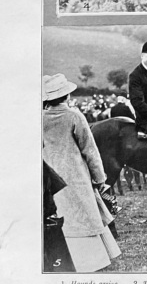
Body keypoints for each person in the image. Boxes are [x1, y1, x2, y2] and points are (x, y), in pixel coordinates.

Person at [42, 74, 121, 273]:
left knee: (61, 216)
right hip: (76, 176)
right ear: (67, 95)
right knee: (84, 215)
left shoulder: (39, 118)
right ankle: (92, 260)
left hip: (51, 178)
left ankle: (63, 258)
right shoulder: (74, 116)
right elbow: (90, 150)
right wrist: (100, 178)